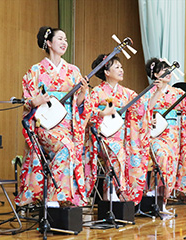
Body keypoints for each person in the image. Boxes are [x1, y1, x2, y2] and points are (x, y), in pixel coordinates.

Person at [15, 26, 90, 207]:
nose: (64, 42)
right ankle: (54, 198)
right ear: (48, 43)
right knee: (66, 145)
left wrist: (84, 91)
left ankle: (56, 198)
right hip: (45, 126)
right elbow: (27, 101)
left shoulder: (73, 70)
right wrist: (35, 101)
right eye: (60, 39)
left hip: (67, 125)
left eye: (65, 39)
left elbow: (79, 105)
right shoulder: (35, 70)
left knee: (68, 145)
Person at [83, 54, 151, 205]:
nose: (122, 70)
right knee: (117, 152)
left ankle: (121, 194)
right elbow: (86, 114)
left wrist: (155, 93)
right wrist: (101, 113)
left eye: (121, 67)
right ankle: (112, 194)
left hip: (124, 137)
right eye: (117, 67)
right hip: (102, 138)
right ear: (106, 72)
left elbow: (142, 108)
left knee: (133, 155)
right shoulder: (97, 92)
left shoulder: (127, 93)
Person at [145, 58, 186, 213]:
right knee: (162, 157)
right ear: (156, 74)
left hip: (172, 134)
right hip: (155, 134)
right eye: (164, 70)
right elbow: (144, 110)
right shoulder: (149, 92)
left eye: (169, 69)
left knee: (170, 165)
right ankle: (153, 194)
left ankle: (161, 200)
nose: (168, 72)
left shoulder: (176, 93)